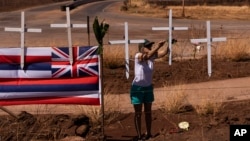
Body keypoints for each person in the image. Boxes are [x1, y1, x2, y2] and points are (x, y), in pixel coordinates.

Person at [130, 39, 170, 141]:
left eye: (151, 46)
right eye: (148, 46)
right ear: (142, 48)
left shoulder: (152, 56)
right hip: (137, 88)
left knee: (148, 112)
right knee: (138, 113)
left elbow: (164, 53)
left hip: (148, 87)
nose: (150, 48)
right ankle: (139, 136)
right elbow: (146, 57)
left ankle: (148, 133)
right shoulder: (138, 56)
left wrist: (169, 44)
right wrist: (158, 46)